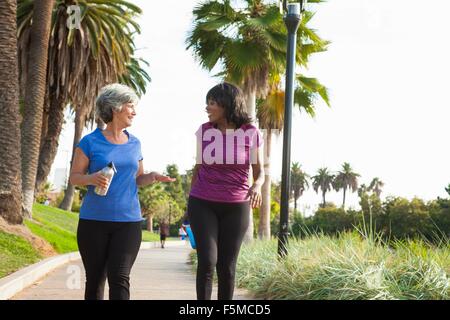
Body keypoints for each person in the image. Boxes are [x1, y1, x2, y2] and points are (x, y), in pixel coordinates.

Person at [69, 83, 175, 300]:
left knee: (120, 277)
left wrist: (152, 176)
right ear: (115, 107)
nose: (134, 112)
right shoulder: (89, 142)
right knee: (96, 279)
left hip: (128, 222)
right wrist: (92, 178)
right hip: (93, 222)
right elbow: (74, 177)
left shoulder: (135, 143)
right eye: (130, 106)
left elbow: (138, 179)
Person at [187, 82, 264, 300]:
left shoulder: (251, 132)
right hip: (202, 201)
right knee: (207, 261)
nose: (207, 108)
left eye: (212, 103)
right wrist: (189, 201)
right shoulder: (204, 130)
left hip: (236, 206)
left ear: (226, 105)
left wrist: (256, 186)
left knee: (227, 266)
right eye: (207, 103)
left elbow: (260, 172)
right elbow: (198, 167)